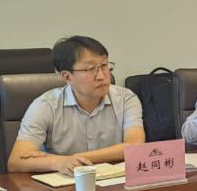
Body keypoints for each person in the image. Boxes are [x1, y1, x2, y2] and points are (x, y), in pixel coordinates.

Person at [8, 36, 144, 175]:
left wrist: (70, 159)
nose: (101, 76)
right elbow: (16, 161)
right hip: (62, 183)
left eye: (104, 66)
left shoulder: (126, 99)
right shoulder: (45, 106)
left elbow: (135, 147)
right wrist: (57, 163)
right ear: (67, 76)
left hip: (112, 181)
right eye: (91, 69)